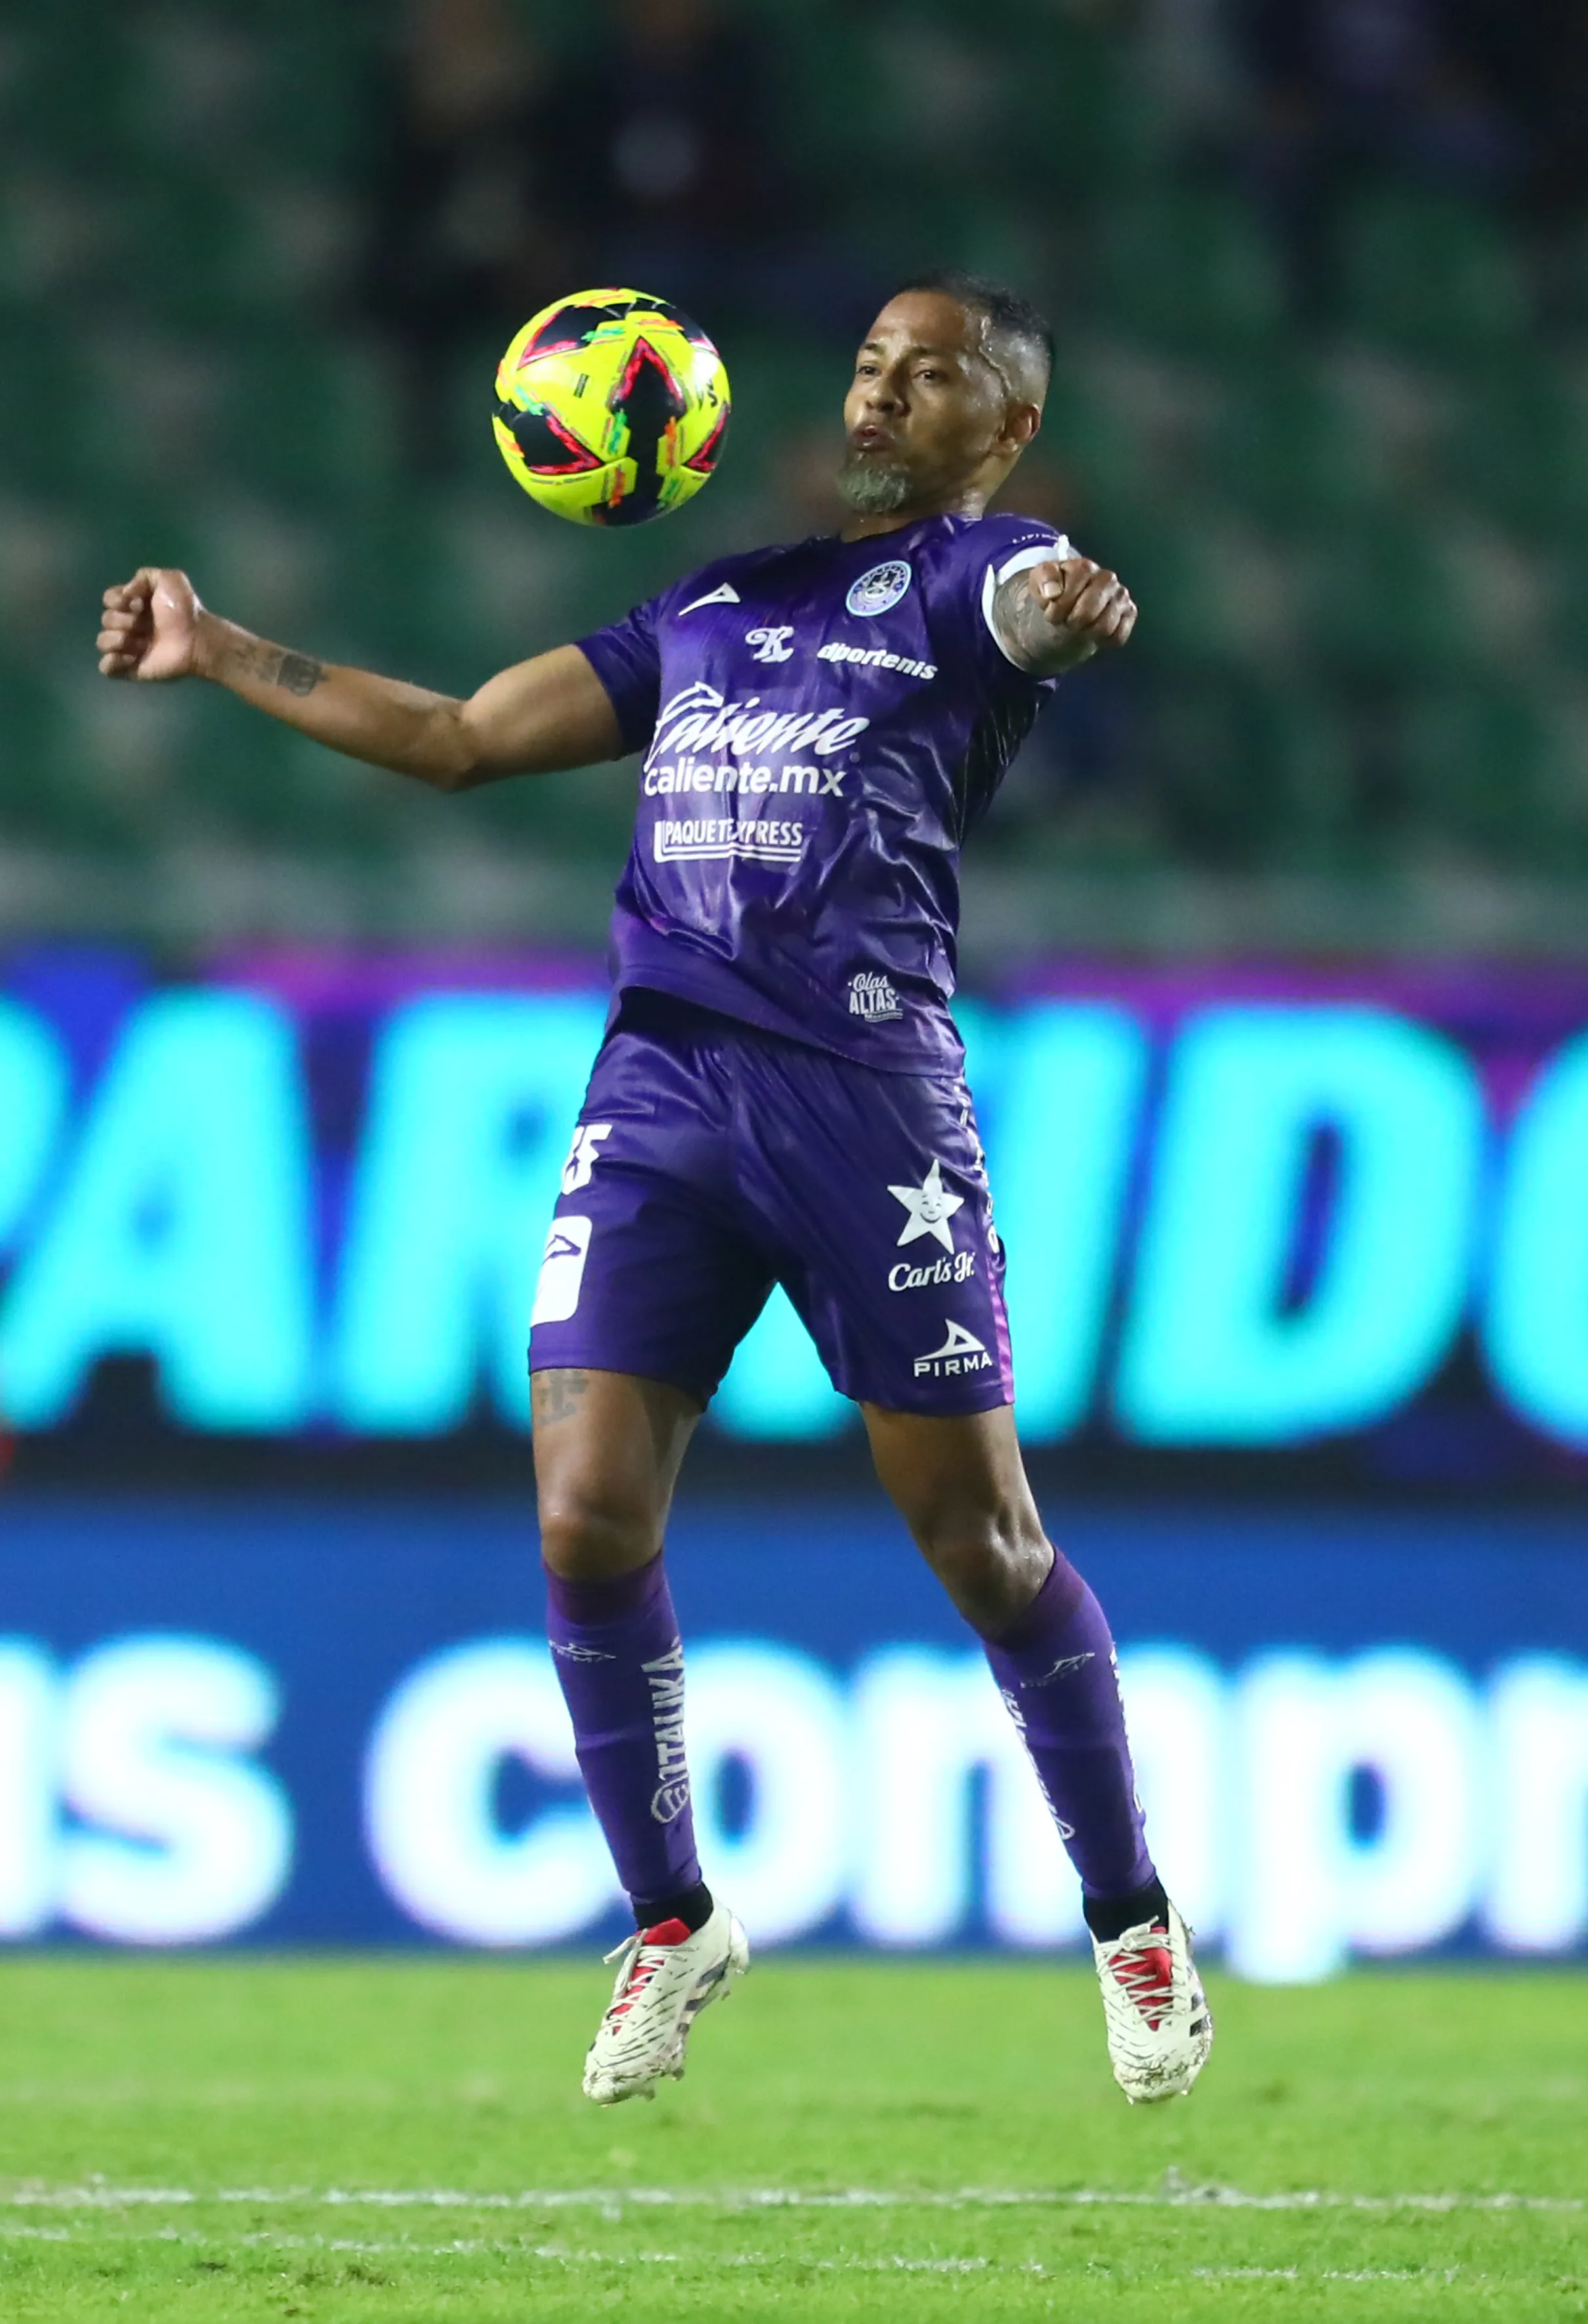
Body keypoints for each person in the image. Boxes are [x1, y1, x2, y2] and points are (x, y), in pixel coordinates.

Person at [95, 270, 1213, 2110]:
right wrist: (218, 650)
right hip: (665, 1089)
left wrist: (1068, 607)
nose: (880, 396)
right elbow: (460, 737)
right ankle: (673, 1917)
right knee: (584, 1511)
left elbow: (1041, 610)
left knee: (982, 1541)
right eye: (869, 364)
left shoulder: (983, 579)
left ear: (1005, 428)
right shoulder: (713, 605)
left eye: (930, 377)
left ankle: (1131, 1914)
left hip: (868, 1106)